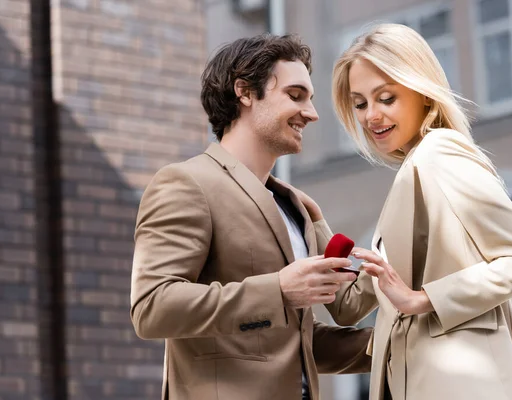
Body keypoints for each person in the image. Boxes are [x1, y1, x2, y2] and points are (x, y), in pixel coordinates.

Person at [299, 23, 512, 400]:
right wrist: (315, 223)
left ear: (424, 95)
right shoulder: (415, 171)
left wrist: (426, 299)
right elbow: (349, 308)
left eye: (386, 98)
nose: (371, 117)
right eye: (361, 103)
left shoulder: (440, 154)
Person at [129, 33, 372, 400]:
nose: (312, 113)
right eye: (295, 95)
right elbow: (152, 307)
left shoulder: (295, 207)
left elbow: (292, 344)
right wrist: (278, 290)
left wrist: (396, 342)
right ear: (244, 91)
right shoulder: (186, 183)